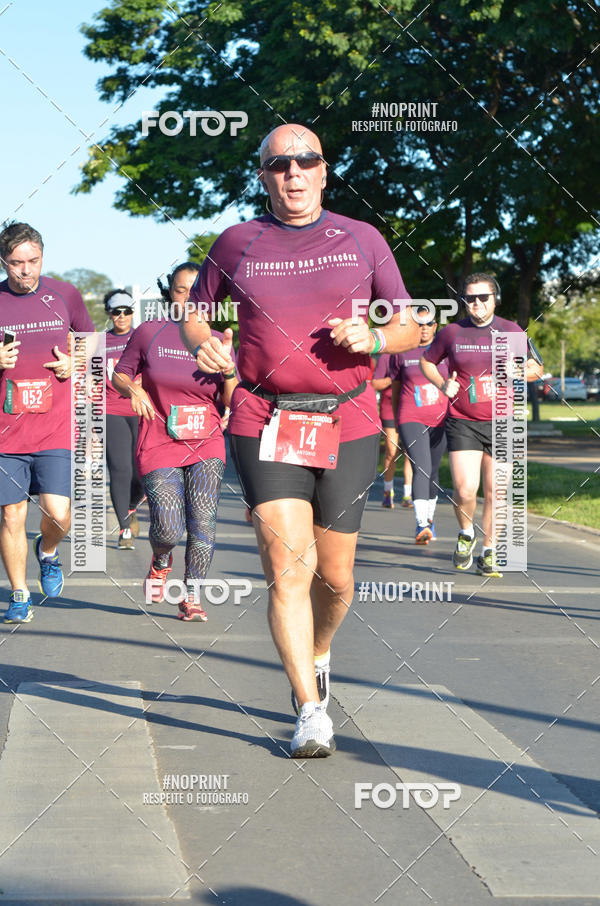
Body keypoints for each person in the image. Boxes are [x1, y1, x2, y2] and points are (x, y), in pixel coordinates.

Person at [181, 124, 420, 757]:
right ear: (263, 175)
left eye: (305, 160)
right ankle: (310, 709)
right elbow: (195, 311)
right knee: (289, 570)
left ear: (324, 169)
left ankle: (318, 650)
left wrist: (374, 338)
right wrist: (198, 339)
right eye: (279, 164)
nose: (293, 172)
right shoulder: (235, 243)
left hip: (348, 420)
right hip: (265, 417)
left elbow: (411, 323)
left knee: (336, 578)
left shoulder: (362, 239)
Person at [112, 262, 237, 621]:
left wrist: (228, 369)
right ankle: (161, 558)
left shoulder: (217, 341)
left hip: (207, 441)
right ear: (171, 294)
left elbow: (230, 399)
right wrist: (133, 389)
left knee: (203, 523)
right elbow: (120, 375)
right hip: (159, 438)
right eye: (183, 290)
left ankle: (192, 596)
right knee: (167, 526)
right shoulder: (148, 332)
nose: (190, 298)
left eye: (198, 292)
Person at [0, 222, 95, 623]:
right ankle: (19, 594)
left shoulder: (64, 294)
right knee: (11, 515)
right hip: (6, 431)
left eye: (33, 262)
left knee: (59, 513)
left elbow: (91, 342)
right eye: (17, 263)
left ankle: (48, 550)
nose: (26, 271)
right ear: (4, 262)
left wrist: (75, 361)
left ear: (42, 257)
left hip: (54, 426)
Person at [420, 274, 542, 576]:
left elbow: (537, 367)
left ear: (495, 298)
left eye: (483, 297)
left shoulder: (512, 331)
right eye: (470, 298)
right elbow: (427, 361)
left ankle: (489, 552)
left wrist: (521, 372)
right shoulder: (452, 332)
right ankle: (466, 533)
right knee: (464, 489)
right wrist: (441, 384)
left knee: (496, 491)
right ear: (464, 301)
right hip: (463, 420)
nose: (477, 304)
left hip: (503, 422)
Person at [390, 309, 448, 544]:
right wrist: (396, 419)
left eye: (429, 324)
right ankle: (421, 523)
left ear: (435, 327)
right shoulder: (401, 352)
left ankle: (429, 520)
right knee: (421, 467)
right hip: (410, 417)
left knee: (433, 470)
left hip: (442, 418)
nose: (424, 328)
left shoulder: (447, 352)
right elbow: (394, 389)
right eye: (419, 324)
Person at [104, 289, 145, 549]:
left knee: (141, 473)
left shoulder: (143, 336)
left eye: (126, 311)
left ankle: (131, 507)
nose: (122, 316)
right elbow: (89, 380)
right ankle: (124, 529)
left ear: (133, 312)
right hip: (111, 410)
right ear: (109, 313)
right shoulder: (99, 342)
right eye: (116, 311)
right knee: (120, 469)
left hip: (141, 409)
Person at [371, 353, 413, 508]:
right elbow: (375, 384)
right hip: (389, 408)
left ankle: (407, 494)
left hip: (410, 408)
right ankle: (388, 491)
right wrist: (394, 378)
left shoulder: (415, 352)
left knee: (411, 452)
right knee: (391, 451)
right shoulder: (386, 357)